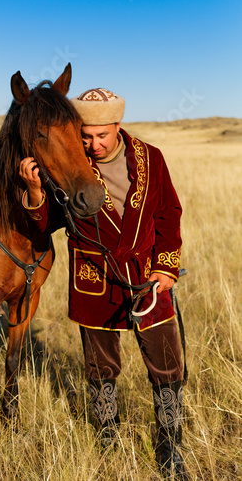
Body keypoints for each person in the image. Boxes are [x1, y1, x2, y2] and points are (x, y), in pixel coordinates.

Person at [20, 87, 188, 479]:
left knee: (167, 364)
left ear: (118, 127)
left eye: (101, 136)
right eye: (86, 137)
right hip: (94, 277)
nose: (93, 145)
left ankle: (170, 446)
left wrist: (166, 267)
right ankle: (108, 438)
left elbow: (168, 214)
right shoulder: (65, 163)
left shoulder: (152, 159)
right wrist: (34, 192)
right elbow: (46, 227)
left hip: (148, 277)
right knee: (101, 367)